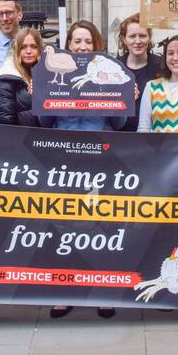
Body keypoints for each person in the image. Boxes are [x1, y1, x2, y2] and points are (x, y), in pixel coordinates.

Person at [39, 20, 126, 320]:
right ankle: (65, 292)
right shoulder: (54, 76)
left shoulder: (110, 75)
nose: (82, 47)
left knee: (99, 227)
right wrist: (40, 98)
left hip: (98, 162)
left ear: (96, 44)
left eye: (87, 42)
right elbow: (44, 125)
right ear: (68, 45)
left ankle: (103, 292)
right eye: (76, 41)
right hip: (64, 164)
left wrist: (128, 100)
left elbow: (121, 126)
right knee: (64, 227)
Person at [116, 14, 161, 131]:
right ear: (124, 39)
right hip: (119, 136)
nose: (138, 41)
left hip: (153, 138)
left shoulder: (162, 67)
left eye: (142, 36)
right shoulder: (114, 68)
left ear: (149, 37)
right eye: (132, 36)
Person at [0, 27, 43, 126]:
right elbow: (6, 119)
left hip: (48, 138)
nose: (28, 51)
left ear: (40, 49)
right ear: (17, 50)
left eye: (33, 46)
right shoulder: (8, 77)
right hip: (21, 138)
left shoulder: (50, 75)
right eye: (23, 47)